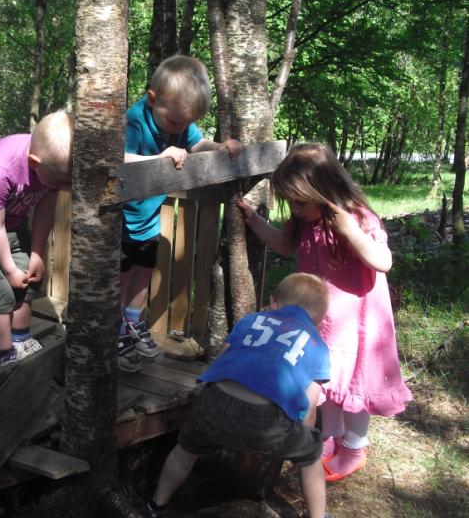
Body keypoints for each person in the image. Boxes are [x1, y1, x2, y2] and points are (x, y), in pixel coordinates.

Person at [235, 142, 412, 482]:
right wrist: (255, 221)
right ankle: (329, 440)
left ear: (324, 191)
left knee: (355, 388)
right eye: (291, 202)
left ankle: (355, 448)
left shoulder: (358, 218)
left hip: (359, 322)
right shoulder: (303, 222)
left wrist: (351, 232)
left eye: (300, 202)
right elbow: (285, 245)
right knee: (328, 382)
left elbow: (383, 261)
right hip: (325, 321)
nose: (295, 209)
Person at [144, 273, 331, 518]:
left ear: (273, 302)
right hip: (268, 423)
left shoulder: (251, 321)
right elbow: (309, 407)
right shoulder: (318, 346)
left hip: (216, 403)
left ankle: (157, 504)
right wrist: (302, 436)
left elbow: (222, 360)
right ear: (319, 319)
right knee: (311, 456)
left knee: (185, 449)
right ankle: (318, 515)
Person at [119, 55, 241, 372]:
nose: (180, 129)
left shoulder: (180, 121)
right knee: (118, 279)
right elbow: (118, 157)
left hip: (147, 220)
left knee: (143, 275)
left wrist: (219, 147)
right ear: (152, 99)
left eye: (186, 123)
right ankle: (116, 333)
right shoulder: (134, 119)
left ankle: (133, 323)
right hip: (120, 219)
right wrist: (161, 158)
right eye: (175, 122)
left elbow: (197, 143)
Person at [0, 110, 74, 367]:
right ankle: (4, 354)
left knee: (26, 282)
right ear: (33, 163)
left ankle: (21, 339)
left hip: (15, 220)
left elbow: (44, 213)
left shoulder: (53, 167)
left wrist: (37, 254)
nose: (63, 188)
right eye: (59, 183)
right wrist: (8, 269)